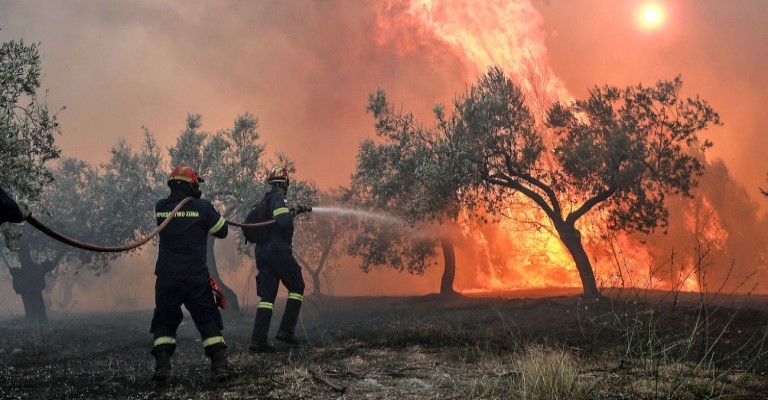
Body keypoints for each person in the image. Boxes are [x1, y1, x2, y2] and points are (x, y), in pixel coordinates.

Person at [150, 165, 230, 382]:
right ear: (192, 184)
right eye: (196, 184)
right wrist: (208, 210)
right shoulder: (203, 207)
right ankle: (220, 367)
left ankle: (162, 369)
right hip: (195, 277)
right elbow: (222, 231)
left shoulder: (160, 208)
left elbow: (178, 220)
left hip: (167, 277)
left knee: (164, 321)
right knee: (206, 318)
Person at [248, 166, 309, 353]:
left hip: (262, 254)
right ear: (285, 183)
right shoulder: (277, 198)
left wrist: (293, 211)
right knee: (297, 285)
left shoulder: (265, 200)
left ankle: (258, 341)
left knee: (267, 298)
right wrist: (291, 213)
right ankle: (286, 331)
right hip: (277, 251)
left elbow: (279, 217)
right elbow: (283, 221)